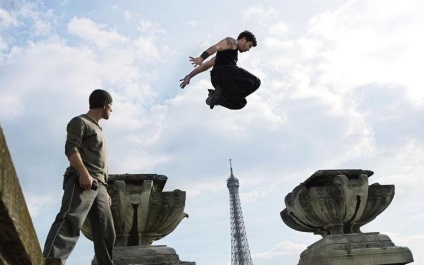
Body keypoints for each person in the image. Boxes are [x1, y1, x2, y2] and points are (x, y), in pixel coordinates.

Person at [43, 89, 116, 265]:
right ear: (105, 104)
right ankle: (51, 262)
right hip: (82, 180)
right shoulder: (80, 122)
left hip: (99, 186)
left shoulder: (99, 129)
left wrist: (104, 190)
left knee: (107, 232)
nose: (112, 109)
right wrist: (83, 173)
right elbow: (71, 149)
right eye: (111, 105)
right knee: (70, 221)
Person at [180, 30, 261, 110]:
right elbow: (216, 47)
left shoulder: (221, 57)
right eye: (249, 45)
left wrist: (189, 76)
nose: (248, 49)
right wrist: (202, 57)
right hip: (224, 72)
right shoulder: (232, 42)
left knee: (240, 103)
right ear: (243, 39)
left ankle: (215, 97)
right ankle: (221, 93)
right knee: (256, 81)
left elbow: (205, 66)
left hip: (218, 79)